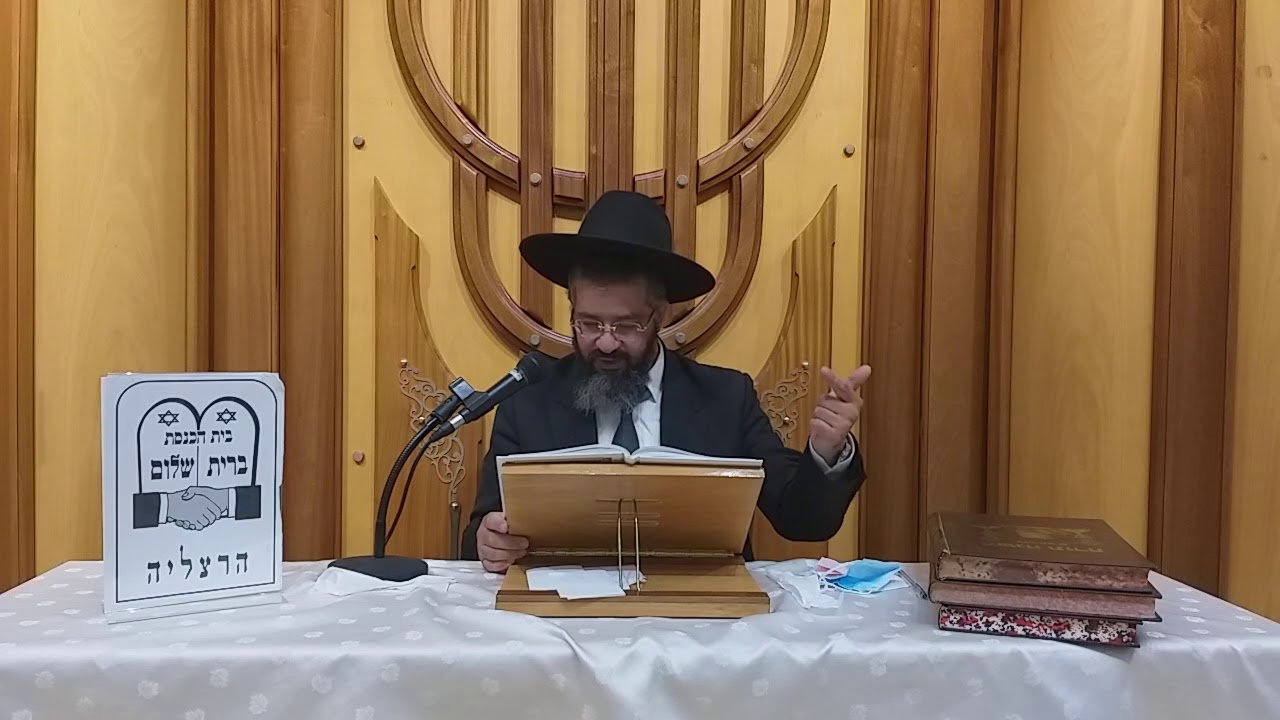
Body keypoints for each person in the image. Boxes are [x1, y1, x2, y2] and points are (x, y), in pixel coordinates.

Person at [460, 190, 871, 572]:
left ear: (660, 317)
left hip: (698, 611)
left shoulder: (726, 398)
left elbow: (801, 521)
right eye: (589, 324)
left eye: (626, 326)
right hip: (562, 609)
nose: (606, 342)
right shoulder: (528, 400)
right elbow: (480, 535)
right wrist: (487, 542)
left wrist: (826, 450)